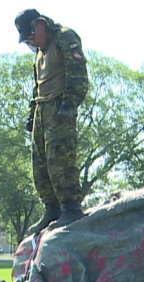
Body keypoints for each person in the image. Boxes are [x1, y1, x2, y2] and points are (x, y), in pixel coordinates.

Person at [14, 9, 90, 233]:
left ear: (40, 25)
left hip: (59, 105)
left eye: (30, 35)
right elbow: (37, 85)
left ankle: (71, 207)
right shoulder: (39, 51)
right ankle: (52, 208)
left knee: (60, 157)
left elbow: (77, 72)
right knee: (40, 162)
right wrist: (32, 113)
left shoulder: (65, 38)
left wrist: (70, 102)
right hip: (42, 108)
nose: (29, 40)